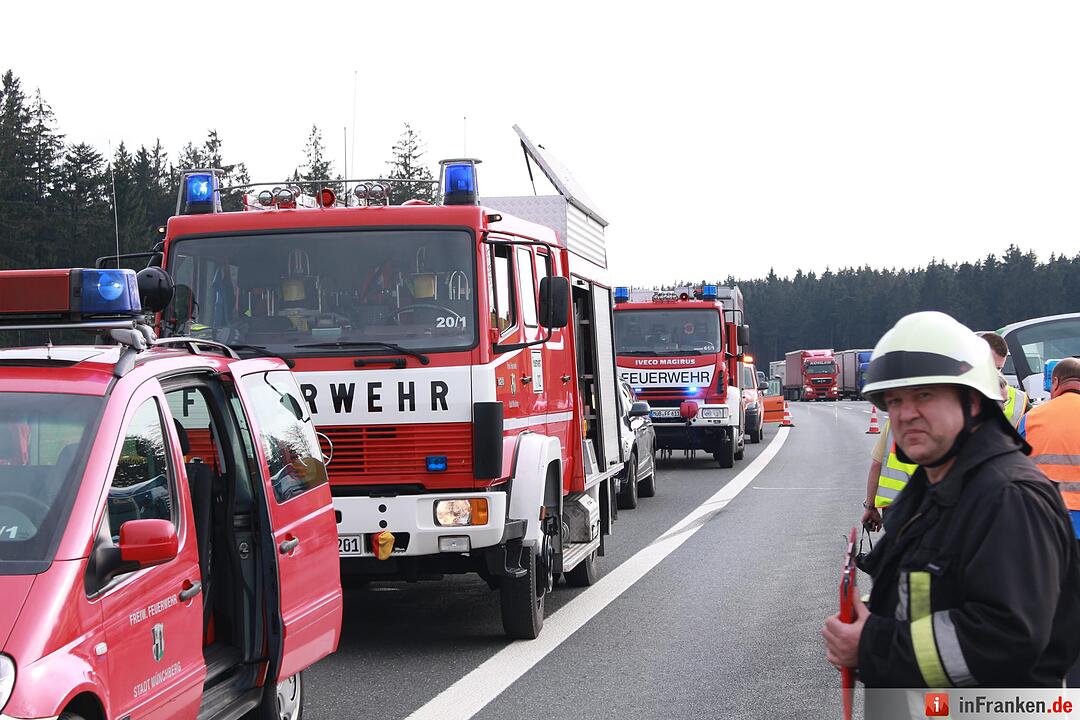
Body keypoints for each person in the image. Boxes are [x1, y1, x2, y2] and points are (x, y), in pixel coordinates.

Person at [822, 311, 1080, 691]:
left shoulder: (1009, 498)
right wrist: (868, 626)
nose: (905, 414)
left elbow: (1006, 638)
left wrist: (872, 644)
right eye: (894, 400)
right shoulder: (932, 487)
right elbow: (923, 602)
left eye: (924, 395)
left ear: (973, 402)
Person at [859, 331, 1027, 529]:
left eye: (998, 368)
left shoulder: (1017, 402)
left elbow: (877, 463)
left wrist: (870, 505)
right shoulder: (952, 413)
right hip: (916, 508)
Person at [978, 331, 1029, 427]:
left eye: (998, 368)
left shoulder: (1019, 400)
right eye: (989, 366)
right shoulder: (952, 393)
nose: (994, 373)